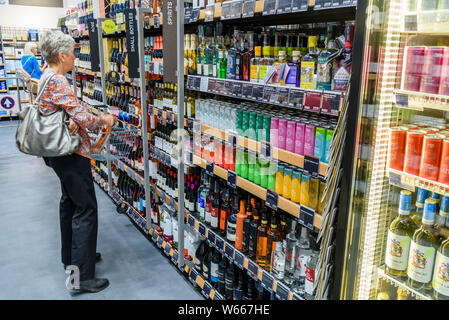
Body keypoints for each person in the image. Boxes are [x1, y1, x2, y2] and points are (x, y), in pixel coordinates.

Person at [38, 30, 116, 294]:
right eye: (73, 52)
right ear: (62, 55)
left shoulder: (46, 76)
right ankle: (81, 278)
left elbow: (64, 111)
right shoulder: (58, 80)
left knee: (69, 204)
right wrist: (103, 120)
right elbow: (80, 113)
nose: (75, 57)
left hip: (56, 154)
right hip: (70, 155)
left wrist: (71, 117)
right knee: (86, 209)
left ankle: (72, 260)